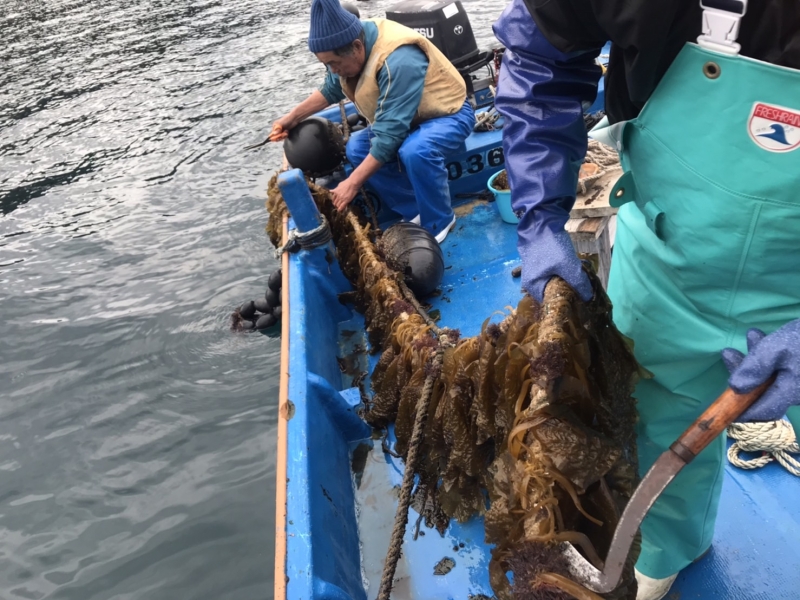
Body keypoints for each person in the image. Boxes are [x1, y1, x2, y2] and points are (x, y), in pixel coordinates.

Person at [492, 0, 800, 598]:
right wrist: (540, 217)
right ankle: (664, 553)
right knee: (655, 422)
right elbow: (541, 59)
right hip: (667, 257)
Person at [272, 0, 475, 243]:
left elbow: (390, 137)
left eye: (334, 64)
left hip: (448, 113)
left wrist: (352, 183)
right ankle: (415, 209)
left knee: (416, 150)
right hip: (409, 118)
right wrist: (292, 118)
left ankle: (439, 219)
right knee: (357, 147)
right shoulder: (344, 46)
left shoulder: (398, 59)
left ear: (357, 47)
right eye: (326, 64)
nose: (332, 70)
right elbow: (331, 88)